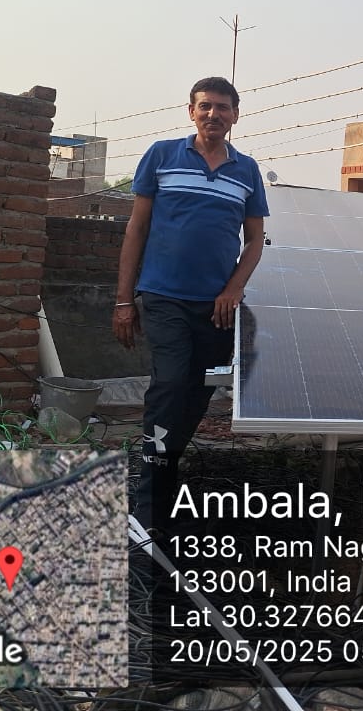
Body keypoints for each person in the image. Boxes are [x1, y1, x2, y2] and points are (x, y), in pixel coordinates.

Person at [112, 76, 269, 530]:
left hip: (216, 307)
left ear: (235, 115)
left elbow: (255, 241)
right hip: (164, 297)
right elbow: (136, 230)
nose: (213, 114)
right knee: (171, 383)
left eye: (222, 107)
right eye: (205, 106)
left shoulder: (247, 170)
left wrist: (233, 288)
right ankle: (149, 503)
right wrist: (124, 300)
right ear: (191, 111)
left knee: (200, 390)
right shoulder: (162, 155)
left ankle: (163, 470)